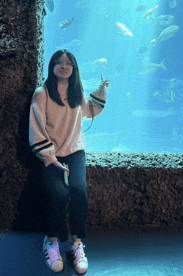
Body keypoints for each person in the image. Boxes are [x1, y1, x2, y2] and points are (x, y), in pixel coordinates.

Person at [29, 49, 109, 274]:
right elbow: (36, 130)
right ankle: (52, 241)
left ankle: (76, 243)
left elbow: (89, 110)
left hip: (75, 151)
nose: (63, 66)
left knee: (79, 192)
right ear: (52, 66)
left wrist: (102, 91)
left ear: (74, 68)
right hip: (51, 153)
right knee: (58, 193)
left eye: (68, 63)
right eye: (59, 62)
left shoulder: (77, 92)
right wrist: (51, 159)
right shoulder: (41, 94)